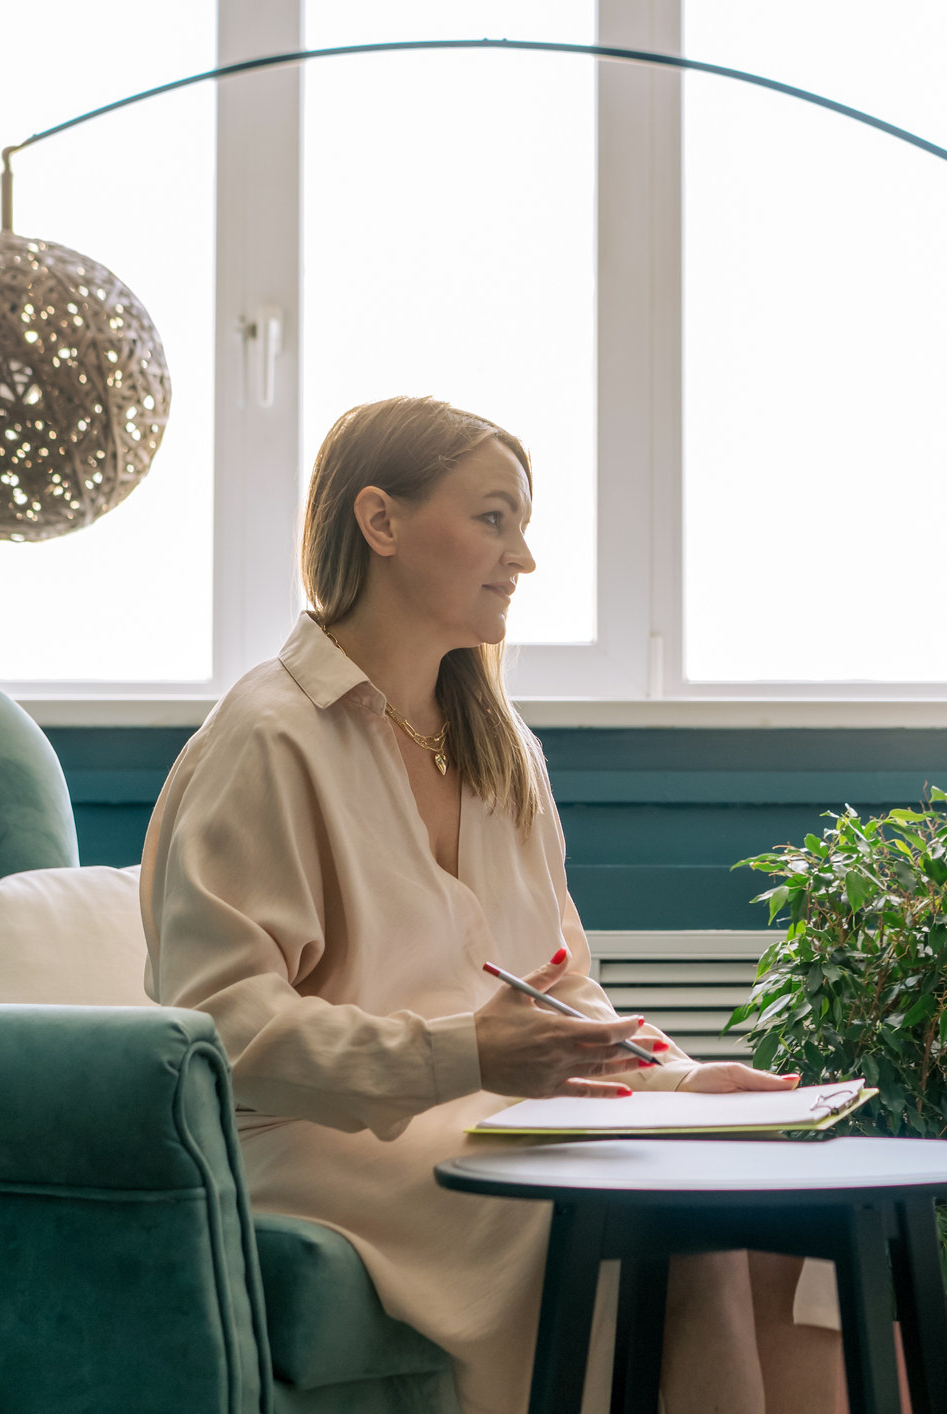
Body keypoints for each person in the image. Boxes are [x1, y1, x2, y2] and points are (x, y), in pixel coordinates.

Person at [143, 396, 839, 1414]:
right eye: (493, 518)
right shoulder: (265, 737)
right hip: (317, 1143)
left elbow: (562, 986)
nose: (523, 557)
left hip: (495, 1118)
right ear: (380, 521)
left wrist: (680, 1082)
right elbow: (219, 1031)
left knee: (775, 1207)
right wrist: (462, 1055)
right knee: (671, 1218)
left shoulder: (502, 746)